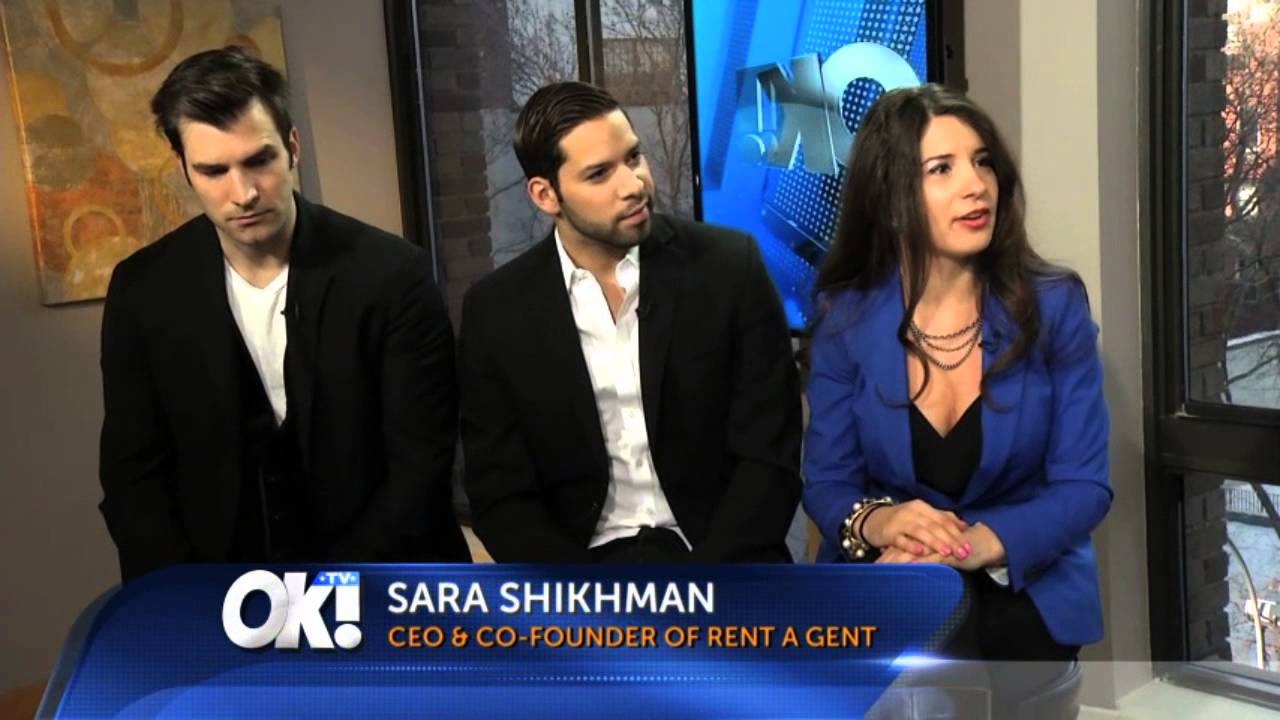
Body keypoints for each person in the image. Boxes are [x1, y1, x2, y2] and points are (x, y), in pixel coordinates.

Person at [98, 47, 469, 582]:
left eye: (259, 161)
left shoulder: (392, 274)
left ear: (293, 148)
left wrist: (327, 596)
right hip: (214, 589)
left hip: (387, 577)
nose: (244, 193)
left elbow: (420, 467)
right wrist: (181, 596)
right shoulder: (143, 290)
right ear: (183, 169)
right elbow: (134, 474)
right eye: (213, 170)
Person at [802, 84, 1110, 711]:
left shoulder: (1053, 306)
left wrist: (960, 549)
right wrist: (883, 522)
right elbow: (829, 483)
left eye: (983, 162)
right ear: (890, 199)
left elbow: (1084, 487)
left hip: (1021, 580)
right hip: (893, 574)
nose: (976, 186)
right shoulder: (845, 318)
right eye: (941, 169)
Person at [459, 81, 802, 563]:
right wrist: (581, 597)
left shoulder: (729, 268)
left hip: (723, 559)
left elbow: (770, 458)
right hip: (581, 572)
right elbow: (500, 493)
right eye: (600, 174)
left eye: (634, 157)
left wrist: (703, 587)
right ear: (546, 195)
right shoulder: (497, 310)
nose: (634, 184)